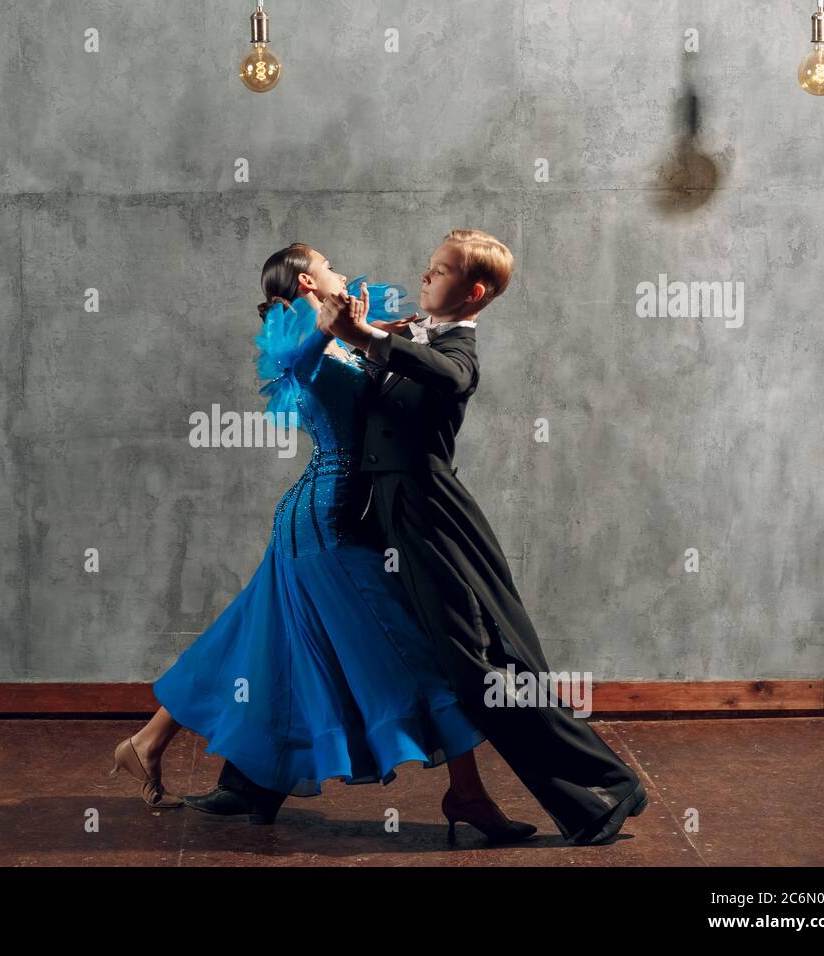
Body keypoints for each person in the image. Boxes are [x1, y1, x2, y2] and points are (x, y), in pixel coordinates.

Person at [109, 241, 536, 842]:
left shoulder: (338, 333)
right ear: (309, 286)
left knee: (256, 643)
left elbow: (369, 350)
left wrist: (374, 328)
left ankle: (149, 742)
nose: (341, 268)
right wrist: (356, 329)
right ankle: (467, 794)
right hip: (326, 527)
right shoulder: (302, 341)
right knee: (421, 651)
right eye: (328, 264)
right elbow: (312, 350)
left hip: (318, 521)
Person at [322, 229, 649, 846]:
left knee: (481, 671)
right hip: (394, 516)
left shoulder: (459, 353)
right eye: (427, 266)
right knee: (457, 667)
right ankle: (587, 796)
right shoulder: (414, 335)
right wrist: (375, 335)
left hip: (431, 516)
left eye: (439, 271)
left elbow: (447, 376)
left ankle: (604, 785)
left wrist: (366, 338)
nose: (424, 277)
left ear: (473, 292)